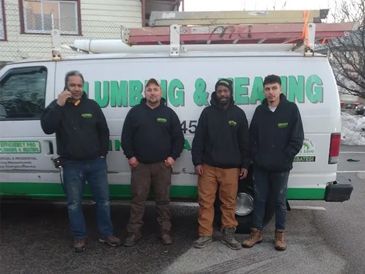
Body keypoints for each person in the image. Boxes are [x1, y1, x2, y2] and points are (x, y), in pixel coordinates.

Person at [41, 70, 120, 252]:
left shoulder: (92, 106)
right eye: (72, 85)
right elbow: (47, 127)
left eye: (79, 85)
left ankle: (106, 233)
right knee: (74, 203)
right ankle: (79, 236)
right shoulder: (57, 106)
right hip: (71, 164)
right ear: (66, 86)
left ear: (83, 86)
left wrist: (102, 154)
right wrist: (59, 105)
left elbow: (103, 131)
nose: (76, 89)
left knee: (103, 201)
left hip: (96, 163)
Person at [242, 74, 304, 251]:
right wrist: (256, 157)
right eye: (267, 89)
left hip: (281, 167)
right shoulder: (260, 111)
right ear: (264, 91)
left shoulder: (291, 109)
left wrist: (286, 157)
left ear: (281, 89)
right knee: (259, 200)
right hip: (261, 166)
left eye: (274, 88)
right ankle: (256, 233)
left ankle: (280, 235)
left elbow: (297, 138)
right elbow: (252, 137)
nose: (271, 92)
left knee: (279, 201)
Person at [121, 78, 184, 246]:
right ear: (144, 93)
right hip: (140, 166)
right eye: (149, 89)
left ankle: (164, 232)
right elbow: (126, 137)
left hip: (162, 166)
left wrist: (172, 158)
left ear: (161, 93)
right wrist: (131, 157)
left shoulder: (168, 113)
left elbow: (179, 139)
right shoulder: (135, 112)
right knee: (137, 201)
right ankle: (134, 233)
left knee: (163, 201)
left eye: (155, 89)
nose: (152, 92)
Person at [191, 79, 250, 250]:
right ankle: (204, 235)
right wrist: (197, 161)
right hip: (208, 167)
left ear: (230, 93)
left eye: (225, 91)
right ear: (215, 93)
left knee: (229, 203)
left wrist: (245, 164)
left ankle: (229, 235)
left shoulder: (238, 114)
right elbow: (199, 140)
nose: (222, 94)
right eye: (219, 91)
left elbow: (245, 143)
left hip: (231, 169)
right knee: (205, 202)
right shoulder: (207, 113)